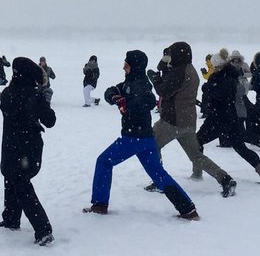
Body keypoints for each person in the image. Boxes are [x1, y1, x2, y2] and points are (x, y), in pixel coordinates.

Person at [83, 50, 199, 220]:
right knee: (158, 174)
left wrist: (128, 104)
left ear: (134, 66)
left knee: (104, 162)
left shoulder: (141, 84)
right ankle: (187, 209)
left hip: (134, 138)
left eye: (127, 64)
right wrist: (115, 97)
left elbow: (149, 100)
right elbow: (111, 90)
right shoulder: (129, 82)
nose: (123, 67)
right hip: (146, 139)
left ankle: (100, 205)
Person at [148, 42, 237, 196]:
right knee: (196, 156)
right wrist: (162, 66)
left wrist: (154, 79)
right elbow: (167, 75)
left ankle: (160, 181)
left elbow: (164, 91)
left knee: (151, 146)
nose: (169, 57)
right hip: (188, 121)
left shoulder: (179, 72)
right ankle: (225, 179)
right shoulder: (190, 69)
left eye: (171, 54)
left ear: (177, 55)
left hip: (171, 121)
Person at [0, 57, 56, 245]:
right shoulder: (34, 95)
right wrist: (45, 100)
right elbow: (50, 121)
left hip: (12, 146)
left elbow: (12, 108)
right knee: (17, 181)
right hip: (29, 147)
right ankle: (20, 221)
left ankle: (36, 226)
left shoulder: (7, 93)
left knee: (14, 179)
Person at [197, 51, 260, 185]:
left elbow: (221, 95)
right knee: (240, 147)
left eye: (215, 66)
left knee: (196, 142)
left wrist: (208, 88)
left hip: (217, 118)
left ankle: (197, 173)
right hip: (230, 117)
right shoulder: (230, 75)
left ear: (218, 66)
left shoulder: (221, 78)